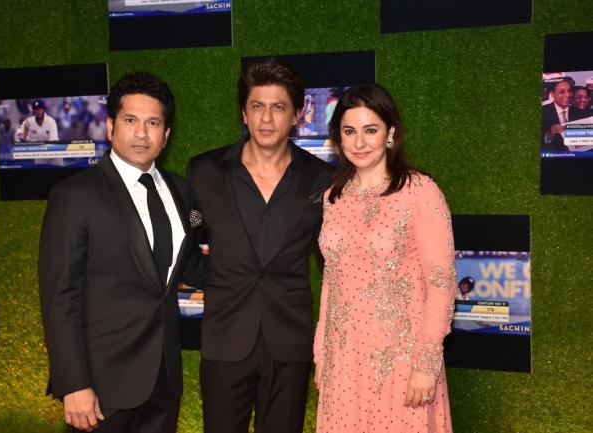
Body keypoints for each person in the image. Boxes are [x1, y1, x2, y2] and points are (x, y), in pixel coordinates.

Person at [39, 72, 205, 433]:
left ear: (166, 134)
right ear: (111, 126)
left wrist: (248, 269)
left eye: (153, 123)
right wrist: (73, 384)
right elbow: (60, 297)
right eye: (131, 120)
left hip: (164, 382)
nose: (142, 133)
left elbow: (186, 264)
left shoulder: (181, 191)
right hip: (101, 386)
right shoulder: (75, 195)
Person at [187, 58, 333, 433]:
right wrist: (215, 280)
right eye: (257, 106)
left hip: (289, 343)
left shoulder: (322, 180)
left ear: (297, 115)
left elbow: (336, 260)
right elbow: (188, 235)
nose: (266, 118)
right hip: (225, 340)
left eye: (278, 107)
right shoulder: (204, 172)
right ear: (244, 113)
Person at [313, 84, 455, 432]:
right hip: (343, 360)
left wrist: (426, 364)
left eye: (371, 130)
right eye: (349, 131)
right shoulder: (334, 197)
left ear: (390, 133)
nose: (359, 142)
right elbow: (332, 280)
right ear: (338, 138)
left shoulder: (419, 191)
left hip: (401, 361)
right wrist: (321, 352)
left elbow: (441, 283)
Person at [542, 78, 573, 151]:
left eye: (569, 91)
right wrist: (549, 135)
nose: (568, 95)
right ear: (553, 94)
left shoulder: (580, 112)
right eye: (562, 92)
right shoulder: (543, 112)